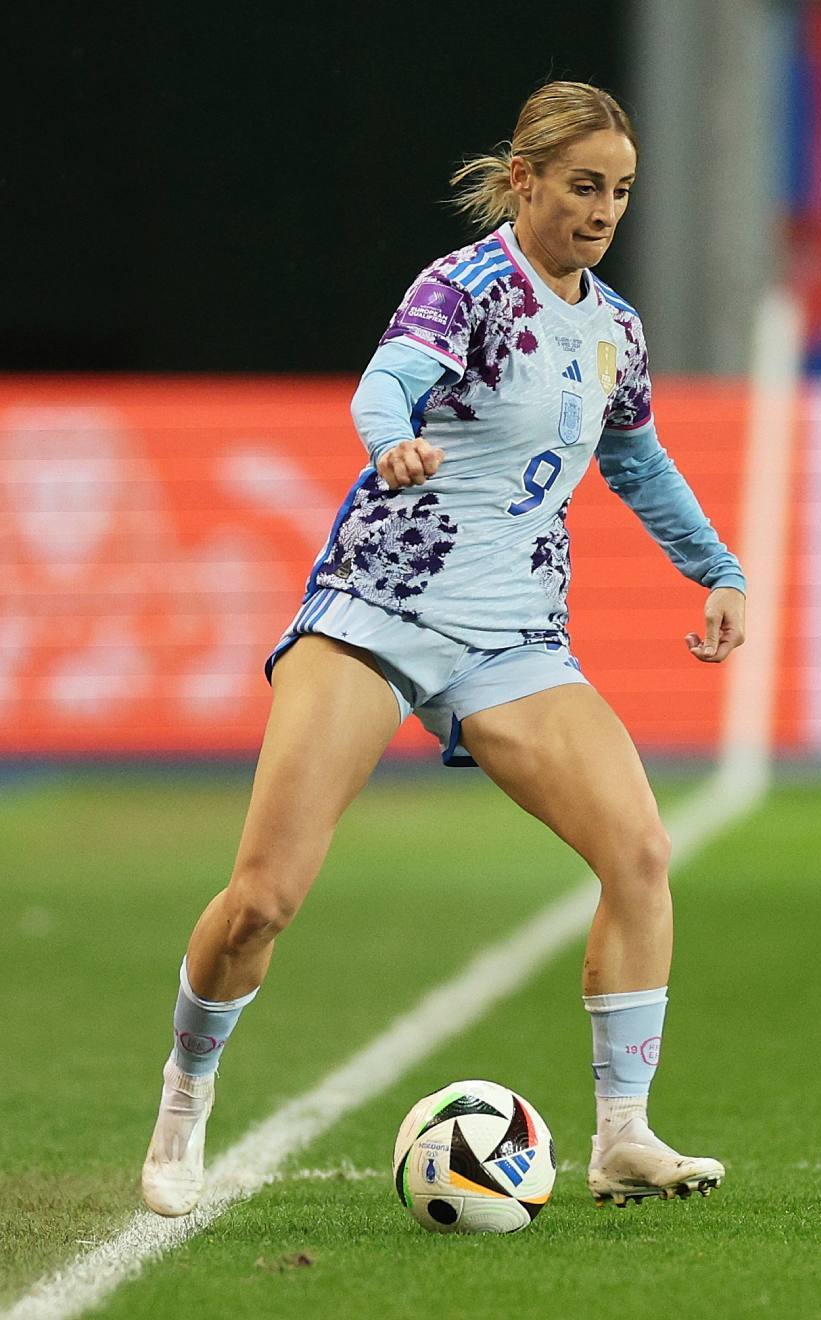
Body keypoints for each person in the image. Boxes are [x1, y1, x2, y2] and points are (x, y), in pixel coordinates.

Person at [140, 81, 747, 1217]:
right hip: (382, 606)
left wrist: (717, 568)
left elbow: (637, 461)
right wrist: (392, 444)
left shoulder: (613, 328)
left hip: (515, 635)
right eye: (582, 185)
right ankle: (185, 1096)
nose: (603, 208)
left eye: (619, 190)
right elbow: (388, 385)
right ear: (524, 180)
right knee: (264, 899)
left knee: (641, 857)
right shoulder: (465, 289)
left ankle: (623, 1133)